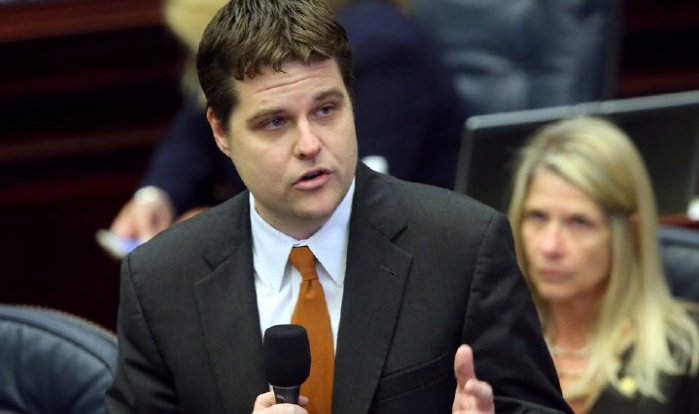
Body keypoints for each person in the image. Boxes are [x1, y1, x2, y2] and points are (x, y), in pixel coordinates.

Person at [105, 0, 572, 413]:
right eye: (275, 123)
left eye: (326, 110)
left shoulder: (464, 246)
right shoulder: (160, 283)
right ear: (221, 132)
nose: (310, 144)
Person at [106, 0, 466, 246]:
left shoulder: (382, 46)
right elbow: (193, 128)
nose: (309, 142)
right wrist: (156, 196)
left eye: (325, 110)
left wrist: (223, 226)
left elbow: (352, 196)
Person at [506, 116, 699, 413]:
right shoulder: (492, 342)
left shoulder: (686, 352)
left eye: (579, 222)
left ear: (631, 234)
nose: (549, 246)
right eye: (537, 217)